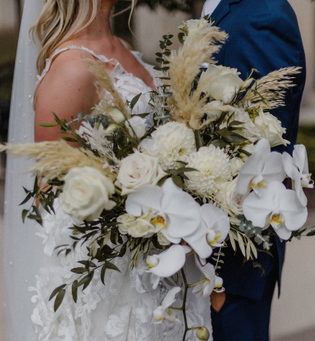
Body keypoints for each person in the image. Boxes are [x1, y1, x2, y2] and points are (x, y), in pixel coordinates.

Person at [3, 1, 212, 340]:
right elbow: (50, 195)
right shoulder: (71, 70)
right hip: (111, 281)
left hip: (162, 261)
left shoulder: (122, 47)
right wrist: (128, 203)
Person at [201, 0, 306, 340]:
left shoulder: (264, 15)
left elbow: (262, 144)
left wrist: (224, 280)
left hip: (231, 264)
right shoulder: (218, 5)